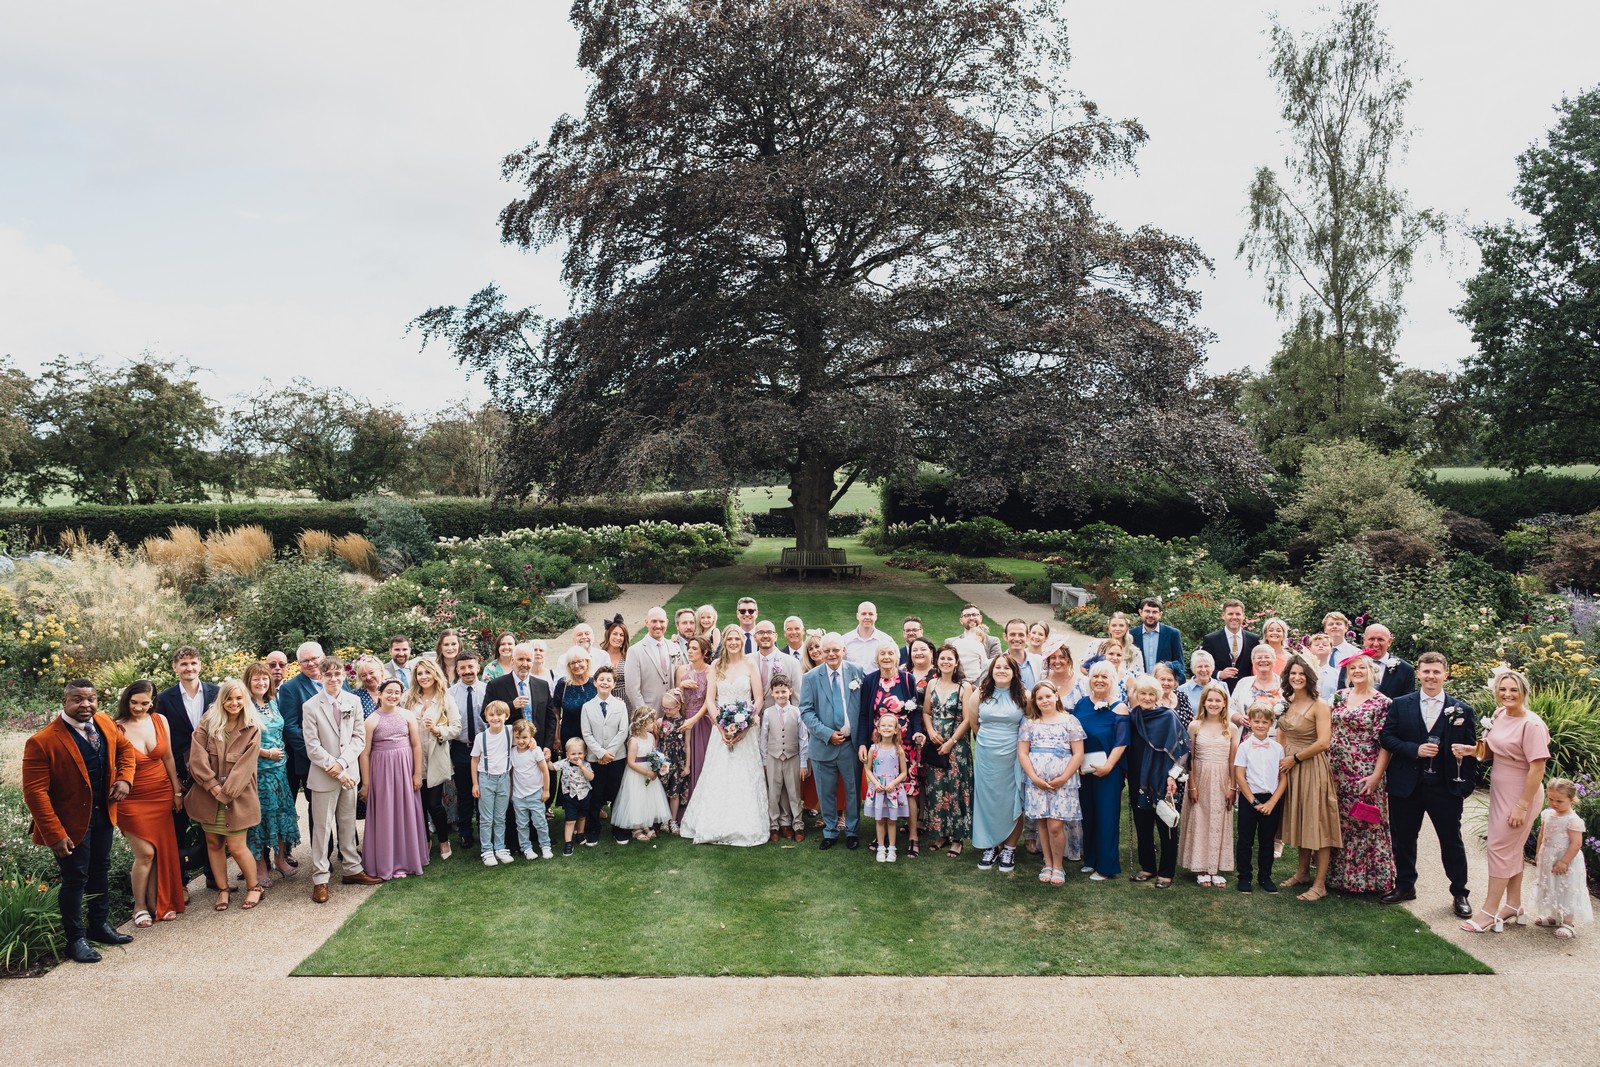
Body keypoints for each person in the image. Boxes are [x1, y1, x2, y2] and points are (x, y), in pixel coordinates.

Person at [22, 680, 137, 962]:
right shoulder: (42, 741)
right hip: (68, 825)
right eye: (78, 699)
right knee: (75, 878)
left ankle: (99, 925)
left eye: (91, 699)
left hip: (103, 815)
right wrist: (54, 834)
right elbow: (35, 793)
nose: (86, 704)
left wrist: (125, 778)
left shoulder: (105, 723)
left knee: (100, 870)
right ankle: (75, 940)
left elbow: (125, 750)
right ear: (64, 702)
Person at [1379, 651, 1478, 917]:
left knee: (1451, 841)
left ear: (1446, 674)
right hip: (1406, 785)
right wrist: (1415, 749)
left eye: (1436, 671)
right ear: (1418, 674)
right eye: (1426, 671)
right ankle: (1405, 885)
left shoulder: (1462, 710)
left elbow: (1471, 751)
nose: (1431, 676)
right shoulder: (1400, 704)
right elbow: (1387, 738)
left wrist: (1465, 787)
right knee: (1403, 839)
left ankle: (1460, 892)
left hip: (1445, 788)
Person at [1461, 669, 1550, 933]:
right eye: (1502, 689)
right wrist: (1471, 750)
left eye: (1513, 690)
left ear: (1524, 692)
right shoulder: (1500, 714)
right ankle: (1513, 905)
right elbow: (1493, 750)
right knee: (1511, 849)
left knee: (1499, 848)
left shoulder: (1532, 725)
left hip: (1521, 794)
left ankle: (1489, 912)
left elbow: (1537, 768)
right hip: (1500, 791)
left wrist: (1522, 805)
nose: (1507, 694)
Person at [678, 629, 770, 847]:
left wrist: (745, 725)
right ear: (725, 641)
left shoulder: (750, 664)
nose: (734, 642)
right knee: (719, 774)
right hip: (720, 729)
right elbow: (711, 700)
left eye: (737, 638)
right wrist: (721, 727)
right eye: (730, 638)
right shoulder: (716, 665)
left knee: (744, 776)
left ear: (742, 641)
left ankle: (744, 824)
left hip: (746, 731)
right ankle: (714, 822)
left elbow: (758, 699)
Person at [303, 656, 382, 901]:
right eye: (328, 675)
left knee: (348, 824)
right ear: (321, 677)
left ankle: (352, 869)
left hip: (350, 773)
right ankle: (320, 878)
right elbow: (312, 746)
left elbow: (359, 738)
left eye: (338, 674)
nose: (333, 679)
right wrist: (337, 769)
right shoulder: (310, 706)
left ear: (344, 676)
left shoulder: (353, 701)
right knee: (322, 828)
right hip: (324, 776)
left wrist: (344, 765)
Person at [185, 680, 264, 911]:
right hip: (208, 796)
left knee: (237, 846)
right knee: (213, 843)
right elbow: (197, 757)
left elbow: (246, 766)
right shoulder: (207, 722)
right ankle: (223, 889)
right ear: (221, 700)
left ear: (245, 700)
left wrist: (226, 793)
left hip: (237, 797)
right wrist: (212, 786)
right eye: (229, 698)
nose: (234, 703)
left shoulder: (252, 727)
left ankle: (254, 887)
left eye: (239, 698)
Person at [113, 680, 186, 925]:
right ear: (126, 700)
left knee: (160, 851)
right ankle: (139, 906)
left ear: (153, 702)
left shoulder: (159, 720)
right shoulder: (116, 727)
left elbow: (168, 758)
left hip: (161, 794)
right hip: (131, 799)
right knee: (145, 853)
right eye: (134, 702)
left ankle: (158, 904)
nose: (138, 708)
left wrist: (177, 792)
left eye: (145, 703)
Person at [1327, 653, 1395, 895]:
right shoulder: (1339, 696)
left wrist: (1376, 776)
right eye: (1352, 668)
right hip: (1336, 768)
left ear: (1371, 671)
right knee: (1338, 820)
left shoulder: (1382, 702)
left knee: (1363, 820)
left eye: (1361, 667)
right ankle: (1336, 876)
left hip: (1364, 769)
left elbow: (1385, 744)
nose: (1356, 671)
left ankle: (1367, 880)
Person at [1276, 654, 1341, 902]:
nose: (1297, 677)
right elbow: (1281, 734)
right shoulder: (1287, 702)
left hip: (1311, 766)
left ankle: (1320, 884)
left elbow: (1324, 742)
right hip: (1290, 766)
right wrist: (1279, 759)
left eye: (1301, 674)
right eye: (1293, 673)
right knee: (1303, 819)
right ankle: (1302, 873)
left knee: (1319, 823)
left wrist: (1295, 758)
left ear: (1310, 677)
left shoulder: (1319, 705)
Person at [799, 633, 868, 850]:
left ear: (843, 650)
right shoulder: (811, 677)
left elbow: (864, 707)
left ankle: (852, 831)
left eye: (835, 650)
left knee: (852, 790)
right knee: (825, 791)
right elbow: (806, 710)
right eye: (827, 650)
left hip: (850, 744)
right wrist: (826, 733)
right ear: (821, 652)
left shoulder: (857, 672)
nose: (831, 654)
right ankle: (829, 831)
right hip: (823, 744)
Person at [156, 645, 218, 883]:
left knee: (210, 827)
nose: (189, 667)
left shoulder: (216, 693)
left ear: (200, 665)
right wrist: (175, 779)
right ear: (175, 667)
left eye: (193, 663)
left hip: (211, 770)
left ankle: (213, 876)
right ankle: (180, 882)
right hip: (179, 774)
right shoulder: (164, 699)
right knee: (177, 828)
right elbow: (162, 740)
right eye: (183, 664)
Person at [856, 642, 924, 857]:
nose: (886, 657)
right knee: (882, 787)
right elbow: (864, 714)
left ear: (897, 657)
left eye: (890, 653)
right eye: (882, 653)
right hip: (880, 743)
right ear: (877, 658)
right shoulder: (870, 680)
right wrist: (863, 743)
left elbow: (915, 710)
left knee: (908, 788)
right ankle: (882, 835)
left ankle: (913, 836)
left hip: (904, 743)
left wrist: (916, 732)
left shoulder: (907, 679)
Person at [359, 679, 428, 880]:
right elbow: (365, 754)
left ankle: (407, 860)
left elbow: (416, 745)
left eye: (397, 692)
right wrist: (366, 783)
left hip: (405, 769)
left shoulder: (407, 715)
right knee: (386, 814)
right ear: (380, 694)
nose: (393, 695)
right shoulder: (371, 720)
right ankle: (387, 861)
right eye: (389, 692)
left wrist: (417, 773)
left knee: (406, 812)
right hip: (382, 772)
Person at [1019, 680, 1086, 887]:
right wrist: (1034, 778)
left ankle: (1058, 865)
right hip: (1037, 782)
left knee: (1055, 825)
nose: (1044, 701)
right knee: (1042, 824)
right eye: (1040, 698)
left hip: (1063, 782)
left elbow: (1078, 753)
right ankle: (1047, 863)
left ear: (1056, 696)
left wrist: (1064, 777)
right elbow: (1023, 753)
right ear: (1035, 701)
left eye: (1048, 696)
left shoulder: (1070, 721)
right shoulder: (1030, 723)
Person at [1126, 675, 1186, 889]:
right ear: (1136, 695)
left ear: (1158, 695)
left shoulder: (1168, 716)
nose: (1147, 697)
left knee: (1166, 824)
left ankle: (1166, 872)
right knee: (1142, 824)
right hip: (1138, 778)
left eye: (1151, 694)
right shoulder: (1133, 716)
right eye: (1143, 693)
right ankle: (1147, 867)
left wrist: (1173, 775)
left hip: (1163, 778)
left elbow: (1183, 749)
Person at [242, 662, 299, 888]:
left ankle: (280, 859)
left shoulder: (272, 702)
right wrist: (266, 753)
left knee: (282, 814)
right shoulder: (244, 707)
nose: (261, 682)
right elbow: (239, 742)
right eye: (256, 679)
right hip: (258, 772)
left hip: (279, 771)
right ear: (248, 681)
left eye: (264, 678)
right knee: (259, 820)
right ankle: (260, 867)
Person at [1074, 662, 1131, 880]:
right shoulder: (1081, 704)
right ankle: (1091, 859)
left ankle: (1106, 867)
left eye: (1104, 677)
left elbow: (1122, 742)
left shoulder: (1119, 708)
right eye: (1095, 676)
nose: (1099, 680)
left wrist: (1108, 766)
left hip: (1109, 771)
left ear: (1112, 680)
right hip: (1084, 770)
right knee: (1088, 815)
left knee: (1106, 817)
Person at [1178, 682, 1237, 888]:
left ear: (1224, 703)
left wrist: (1232, 787)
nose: (1213, 704)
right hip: (1200, 776)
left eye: (1218, 700)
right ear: (1203, 702)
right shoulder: (1195, 726)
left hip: (1222, 777)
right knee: (1200, 820)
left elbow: (1233, 761)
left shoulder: (1231, 728)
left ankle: (1215, 867)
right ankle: (1201, 868)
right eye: (1210, 700)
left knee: (1219, 821)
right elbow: (1190, 758)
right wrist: (1192, 785)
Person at [971, 655, 1026, 873]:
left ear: (1014, 672)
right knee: (987, 800)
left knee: (1012, 799)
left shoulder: (1024, 696)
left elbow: (1029, 725)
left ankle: (1009, 848)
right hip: (986, 755)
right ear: (991, 670)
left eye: (1006, 668)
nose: (1001, 671)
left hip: (1012, 754)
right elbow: (974, 723)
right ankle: (991, 845)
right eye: (997, 667)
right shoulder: (980, 694)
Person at [922, 644, 975, 858]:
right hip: (935, 743)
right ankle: (941, 832)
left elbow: (968, 719)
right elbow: (926, 712)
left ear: (956, 662)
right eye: (942, 658)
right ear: (937, 661)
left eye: (949, 659)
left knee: (956, 788)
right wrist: (930, 731)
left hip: (957, 745)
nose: (945, 662)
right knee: (937, 788)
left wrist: (951, 742)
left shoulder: (964, 687)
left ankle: (957, 837)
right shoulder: (932, 683)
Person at [404, 657, 459, 861]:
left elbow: (456, 728)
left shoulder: (445, 698)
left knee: (434, 804)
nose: (424, 677)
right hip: (412, 759)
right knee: (418, 805)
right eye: (419, 673)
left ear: (435, 674)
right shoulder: (407, 698)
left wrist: (437, 730)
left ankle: (443, 840)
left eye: (427, 672)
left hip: (435, 757)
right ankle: (424, 840)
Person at [1233, 703, 1288, 894]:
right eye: (1256, 721)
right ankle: (1244, 877)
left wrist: (1272, 802)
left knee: (1267, 841)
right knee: (1245, 840)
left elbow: (1283, 778)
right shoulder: (1244, 747)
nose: (1260, 725)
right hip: (1250, 799)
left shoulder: (1278, 748)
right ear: (1250, 722)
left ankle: (1265, 877)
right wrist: (1253, 802)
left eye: (1265, 722)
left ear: (1272, 723)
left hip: (1271, 800)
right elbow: (1240, 776)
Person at [1532, 779, 1592, 939]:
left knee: (1566, 888)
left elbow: (1576, 843)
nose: (1554, 803)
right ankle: (1555, 916)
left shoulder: (1572, 820)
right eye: (1551, 799)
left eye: (1559, 801)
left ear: (1571, 799)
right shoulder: (1547, 814)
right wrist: (1538, 853)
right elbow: (1542, 834)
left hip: (1566, 860)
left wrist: (1564, 861)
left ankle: (1568, 923)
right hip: (1549, 857)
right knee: (1551, 885)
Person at [580, 666, 633, 845]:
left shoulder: (620, 705)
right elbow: (587, 734)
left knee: (616, 793)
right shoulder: (587, 707)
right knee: (596, 795)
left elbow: (623, 731)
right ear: (595, 683)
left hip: (616, 758)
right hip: (595, 759)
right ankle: (593, 829)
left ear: (614, 684)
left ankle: (618, 829)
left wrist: (609, 753)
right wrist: (601, 753)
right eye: (601, 679)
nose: (605, 682)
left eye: (609, 680)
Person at [486, 643, 555, 763]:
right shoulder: (496, 685)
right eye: (521, 659)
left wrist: (548, 745)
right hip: (510, 750)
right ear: (513, 661)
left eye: (528, 660)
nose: (525, 664)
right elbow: (485, 714)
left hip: (538, 748)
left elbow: (550, 719)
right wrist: (511, 706)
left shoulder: (542, 685)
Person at [759, 675, 808, 841]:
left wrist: (803, 763)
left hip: (792, 757)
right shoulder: (768, 713)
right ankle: (774, 825)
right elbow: (764, 738)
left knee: (794, 793)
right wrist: (764, 760)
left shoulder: (797, 712)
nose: (781, 695)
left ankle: (797, 825)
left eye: (784, 691)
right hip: (773, 757)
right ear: (772, 693)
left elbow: (803, 739)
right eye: (777, 692)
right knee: (774, 793)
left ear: (790, 691)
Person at [448, 651, 488, 853]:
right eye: (462, 668)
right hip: (461, 747)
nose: (467, 671)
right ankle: (465, 832)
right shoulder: (449, 694)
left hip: (485, 748)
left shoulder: (488, 690)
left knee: (484, 791)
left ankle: (484, 829)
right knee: (464, 792)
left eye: (470, 666)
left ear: (478, 667)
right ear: (457, 670)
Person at [277, 640, 324, 812]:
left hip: (341, 758)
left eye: (314, 658)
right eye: (305, 661)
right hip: (311, 761)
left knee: (344, 809)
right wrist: (315, 753)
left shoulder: (339, 680)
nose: (310, 663)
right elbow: (290, 727)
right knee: (318, 810)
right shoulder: (290, 688)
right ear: (299, 664)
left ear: (323, 657)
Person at [614, 707, 671, 840]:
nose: (654, 723)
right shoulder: (634, 740)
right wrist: (646, 772)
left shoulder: (651, 737)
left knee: (647, 798)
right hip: (637, 773)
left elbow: (653, 754)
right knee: (637, 798)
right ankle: (636, 828)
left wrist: (659, 765)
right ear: (642, 723)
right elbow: (631, 762)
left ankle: (645, 824)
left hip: (649, 771)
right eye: (651, 721)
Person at [472, 699, 515, 865]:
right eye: (491, 715)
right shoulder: (481, 737)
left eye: (499, 714)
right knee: (486, 818)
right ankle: (487, 850)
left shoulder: (510, 731)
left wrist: (532, 740)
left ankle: (500, 847)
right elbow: (474, 761)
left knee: (500, 817)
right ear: (486, 717)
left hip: (504, 779)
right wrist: (475, 783)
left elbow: (526, 732)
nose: (495, 718)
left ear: (507, 716)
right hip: (486, 779)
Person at [864, 713, 910, 862]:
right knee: (880, 820)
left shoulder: (898, 750)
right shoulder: (873, 749)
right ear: (878, 729)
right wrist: (875, 783)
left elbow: (904, 772)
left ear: (896, 730)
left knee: (891, 820)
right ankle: (881, 848)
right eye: (883, 725)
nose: (886, 728)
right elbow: (868, 769)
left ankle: (892, 848)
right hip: (878, 790)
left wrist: (893, 783)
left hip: (892, 790)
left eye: (890, 725)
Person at [508, 719, 555, 858]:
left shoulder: (536, 751)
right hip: (518, 796)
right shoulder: (512, 752)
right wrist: (511, 792)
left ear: (531, 737)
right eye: (517, 737)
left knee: (540, 822)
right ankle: (526, 848)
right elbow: (511, 773)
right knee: (521, 824)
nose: (521, 741)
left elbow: (545, 771)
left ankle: (545, 845)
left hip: (536, 794)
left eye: (524, 737)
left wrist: (546, 790)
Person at [676, 636, 714, 800]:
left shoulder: (710, 671)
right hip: (683, 720)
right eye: (689, 648)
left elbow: (709, 701)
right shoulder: (681, 670)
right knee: (684, 760)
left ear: (704, 652)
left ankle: (702, 800)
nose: (690, 651)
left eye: (694, 648)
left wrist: (694, 719)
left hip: (702, 721)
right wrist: (680, 686)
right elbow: (675, 698)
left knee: (703, 760)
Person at [1337, 624, 1415, 699]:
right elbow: (1341, 697)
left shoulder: (1405, 670)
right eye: (1371, 639)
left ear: (1389, 642)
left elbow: (1407, 702)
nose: (1376, 644)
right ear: (1364, 640)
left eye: (1380, 639)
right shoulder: (1350, 666)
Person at [627, 607, 678, 713]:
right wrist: (646, 715)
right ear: (646, 622)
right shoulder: (635, 651)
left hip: (672, 712)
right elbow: (632, 690)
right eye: (654, 621)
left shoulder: (674, 647)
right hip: (649, 711)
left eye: (662, 621)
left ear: (667, 622)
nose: (658, 625)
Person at [1200, 599, 1259, 691]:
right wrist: (1219, 674)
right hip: (1218, 691)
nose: (1234, 617)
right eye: (1230, 614)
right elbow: (1201, 666)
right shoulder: (1211, 640)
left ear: (1243, 616)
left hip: (1246, 690)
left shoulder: (1254, 639)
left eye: (1238, 614)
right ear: (1223, 616)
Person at [656, 687, 690, 833]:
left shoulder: (685, 723)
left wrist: (687, 766)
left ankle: (673, 820)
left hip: (679, 762)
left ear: (678, 707)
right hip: (664, 762)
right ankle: (664, 820)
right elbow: (656, 742)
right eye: (663, 708)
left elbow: (687, 745)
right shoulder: (660, 722)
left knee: (675, 792)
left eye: (668, 709)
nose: (666, 711)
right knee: (663, 790)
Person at [552, 645, 598, 752]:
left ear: (587, 662)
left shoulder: (595, 682)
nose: (576, 666)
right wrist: (556, 737)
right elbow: (556, 712)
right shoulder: (563, 684)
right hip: (570, 737)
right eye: (572, 663)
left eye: (580, 661)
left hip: (594, 737)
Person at [555, 737, 594, 856]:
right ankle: (568, 843)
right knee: (570, 820)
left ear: (585, 753)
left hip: (584, 796)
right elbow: (552, 767)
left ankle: (580, 834)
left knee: (582, 817)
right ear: (567, 755)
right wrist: (545, 760)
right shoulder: (564, 763)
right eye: (573, 754)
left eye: (580, 753)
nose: (577, 756)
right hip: (570, 796)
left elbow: (591, 777)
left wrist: (582, 767)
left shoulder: (586, 765)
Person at [1228, 645, 1283, 726]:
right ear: (1253, 661)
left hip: (1277, 733)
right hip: (1248, 732)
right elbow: (1230, 709)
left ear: (1274, 660)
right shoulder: (1243, 683)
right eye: (1259, 657)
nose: (1263, 660)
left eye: (1267, 657)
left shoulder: (1283, 684)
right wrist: (1240, 719)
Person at [1134, 597, 1186, 681]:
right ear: (1140, 612)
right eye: (1147, 611)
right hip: (1139, 684)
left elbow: (1179, 665)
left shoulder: (1172, 634)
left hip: (1164, 685)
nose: (1150, 615)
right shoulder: (1132, 634)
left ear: (1160, 614)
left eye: (1154, 612)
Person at [950, 603, 1001, 681]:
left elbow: (995, 667)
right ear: (961, 620)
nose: (971, 618)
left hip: (983, 685)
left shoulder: (993, 642)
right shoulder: (951, 642)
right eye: (967, 615)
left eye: (974, 615)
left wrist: (975, 685)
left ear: (980, 618)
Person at [594, 615, 631, 706]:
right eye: (615, 634)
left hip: (627, 700)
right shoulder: (600, 656)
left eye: (621, 635)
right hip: (605, 699)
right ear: (608, 635)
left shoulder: (629, 656)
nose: (618, 638)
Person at [751, 619, 790, 706]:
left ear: (775, 636)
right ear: (754, 637)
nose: (765, 636)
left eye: (769, 632)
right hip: (751, 713)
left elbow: (797, 699)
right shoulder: (747, 661)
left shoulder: (792, 663)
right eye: (760, 632)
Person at [843, 601, 890, 670]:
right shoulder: (845, 640)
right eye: (863, 614)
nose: (867, 617)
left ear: (876, 617)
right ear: (857, 616)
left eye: (871, 614)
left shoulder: (886, 640)